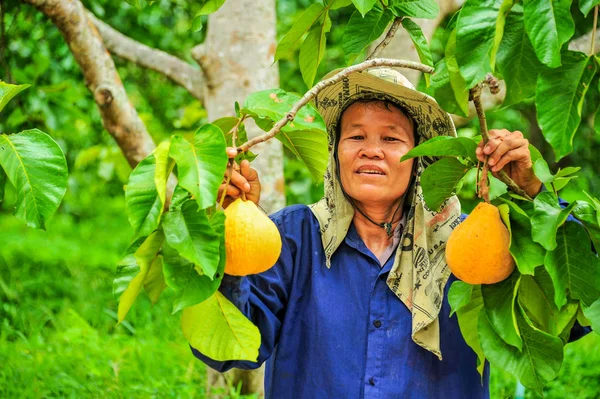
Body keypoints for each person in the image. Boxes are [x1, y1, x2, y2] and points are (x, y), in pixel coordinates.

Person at [192, 68, 544, 398]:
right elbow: (228, 351)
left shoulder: (469, 244)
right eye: (356, 135)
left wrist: (533, 199)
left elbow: (561, 317)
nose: (370, 150)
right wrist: (226, 236)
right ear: (335, 151)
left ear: (420, 158)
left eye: (391, 138)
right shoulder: (291, 236)